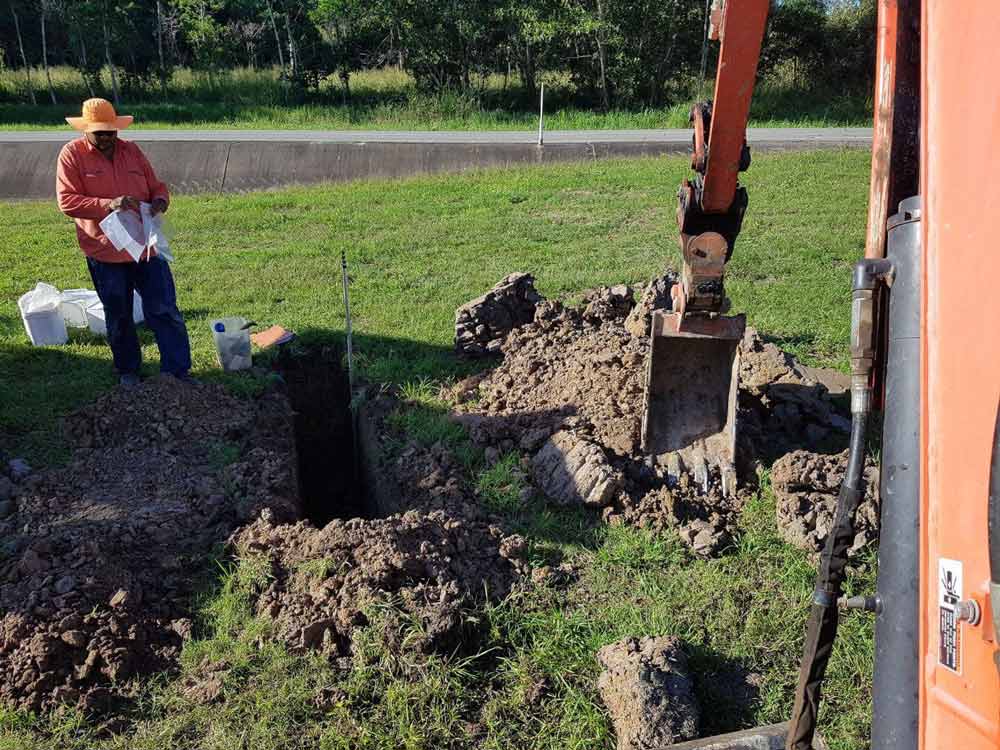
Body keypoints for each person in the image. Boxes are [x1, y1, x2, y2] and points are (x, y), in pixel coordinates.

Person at [56, 97, 194, 387]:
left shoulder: (132, 151)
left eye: (111, 132)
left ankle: (178, 372)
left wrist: (160, 199)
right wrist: (108, 204)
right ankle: (128, 371)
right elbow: (67, 201)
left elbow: (155, 184)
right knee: (118, 314)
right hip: (105, 250)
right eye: (99, 133)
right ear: (86, 131)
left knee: (164, 308)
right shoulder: (71, 155)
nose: (106, 138)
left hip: (146, 247)